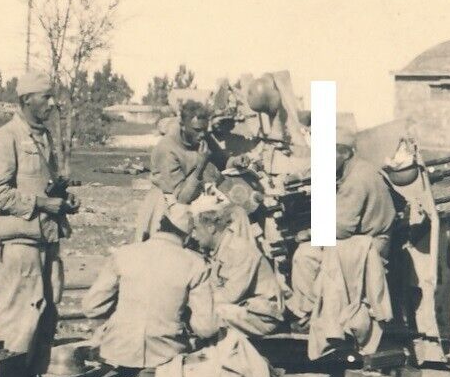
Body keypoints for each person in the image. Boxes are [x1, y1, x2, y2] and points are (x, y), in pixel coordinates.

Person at [70, 204, 218, 377]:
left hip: (119, 350)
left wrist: (117, 320)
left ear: (159, 226)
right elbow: (206, 326)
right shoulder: (194, 263)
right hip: (164, 355)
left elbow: (91, 305)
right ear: (186, 235)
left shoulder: (125, 254)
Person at [0, 70, 80, 377]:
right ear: (26, 100)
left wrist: (63, 201)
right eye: (46, 98)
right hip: (22, 241)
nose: (53, 104)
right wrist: (41, 202)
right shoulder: (5, 137)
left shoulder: (43, 137)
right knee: (19, 314)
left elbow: (42, 185)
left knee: (47, 310)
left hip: (48, 237)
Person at [289, 121, 397, 322]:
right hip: (366, 239)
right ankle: (315, 309)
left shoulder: (356, 179)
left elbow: (340, 228)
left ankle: (309, 313)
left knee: (304, 255)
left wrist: (309, 233)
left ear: (345, 154)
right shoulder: (359, 169)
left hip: (369, 246)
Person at [190, 194, 284, 336]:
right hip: (244, 309)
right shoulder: (221, 250)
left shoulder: (239, 249)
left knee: (209, 314)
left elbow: (231, 295)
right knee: (206, 312)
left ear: (210, 227)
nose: (193, 235)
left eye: (195, 229)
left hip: (263, 315)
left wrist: (190, 303)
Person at [134, 100, 224, 241]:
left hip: (195, 196)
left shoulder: (201, 136)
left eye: (204, 130)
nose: (202, 135)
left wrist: (236, 161)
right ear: (182, 126)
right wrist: (201, 165)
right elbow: (182, 197)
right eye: (197, 130)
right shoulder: (167, 148)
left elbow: (223, 160)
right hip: (168, 203)